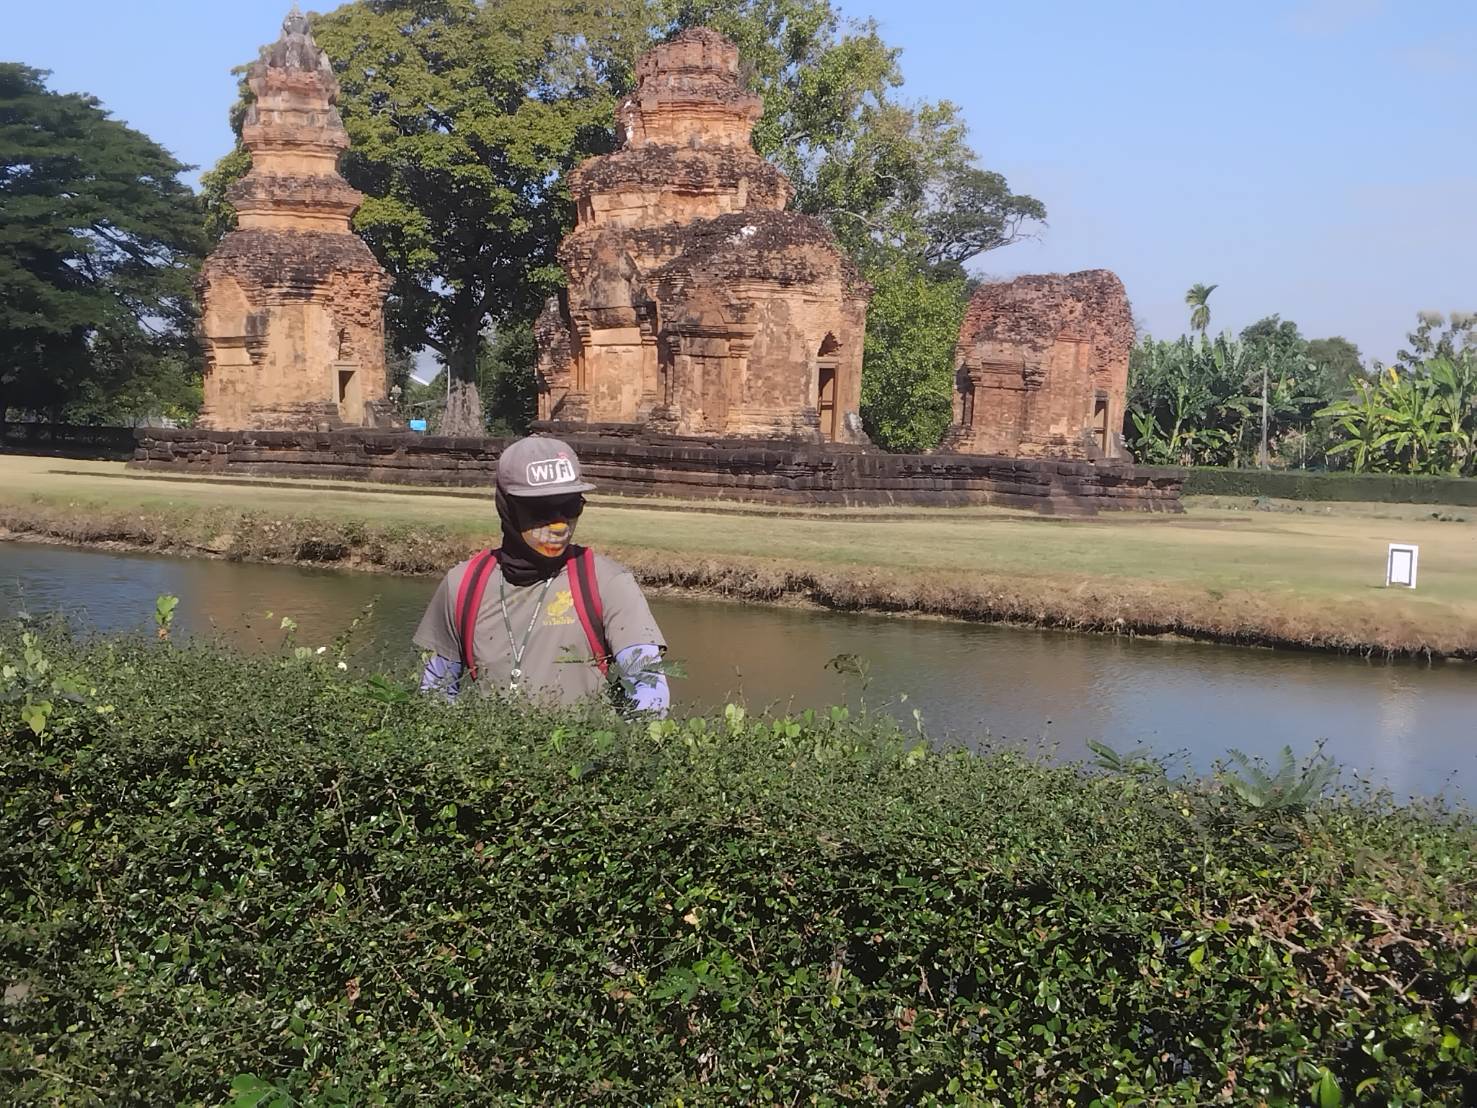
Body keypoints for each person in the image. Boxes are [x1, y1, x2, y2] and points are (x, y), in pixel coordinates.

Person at [413, 436, 669, 714]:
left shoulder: (607, 584)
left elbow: (648, 690)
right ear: (507, 508)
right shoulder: (463, 585)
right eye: (540, 510)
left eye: (571, 506)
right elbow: (436, 696)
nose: (559, 525)